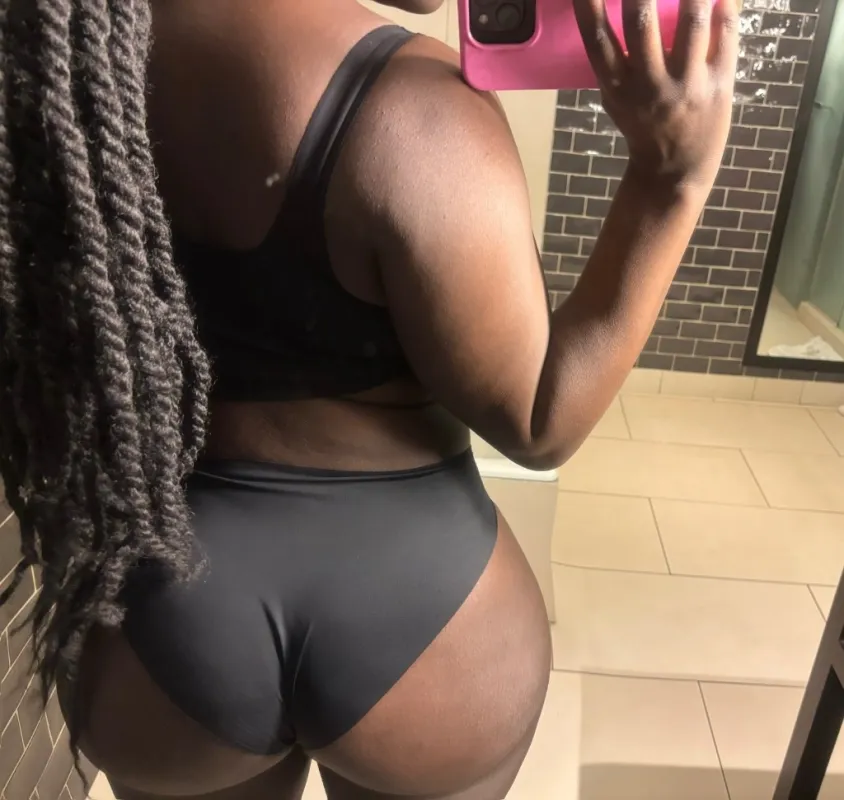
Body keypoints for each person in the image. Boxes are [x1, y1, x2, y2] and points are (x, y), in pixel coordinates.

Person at [0, 0, 737, 797]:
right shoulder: (415, 107)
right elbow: (539, 420)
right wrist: (671, 179)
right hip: (425, 618)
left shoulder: (59, 66)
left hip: (160, 615)